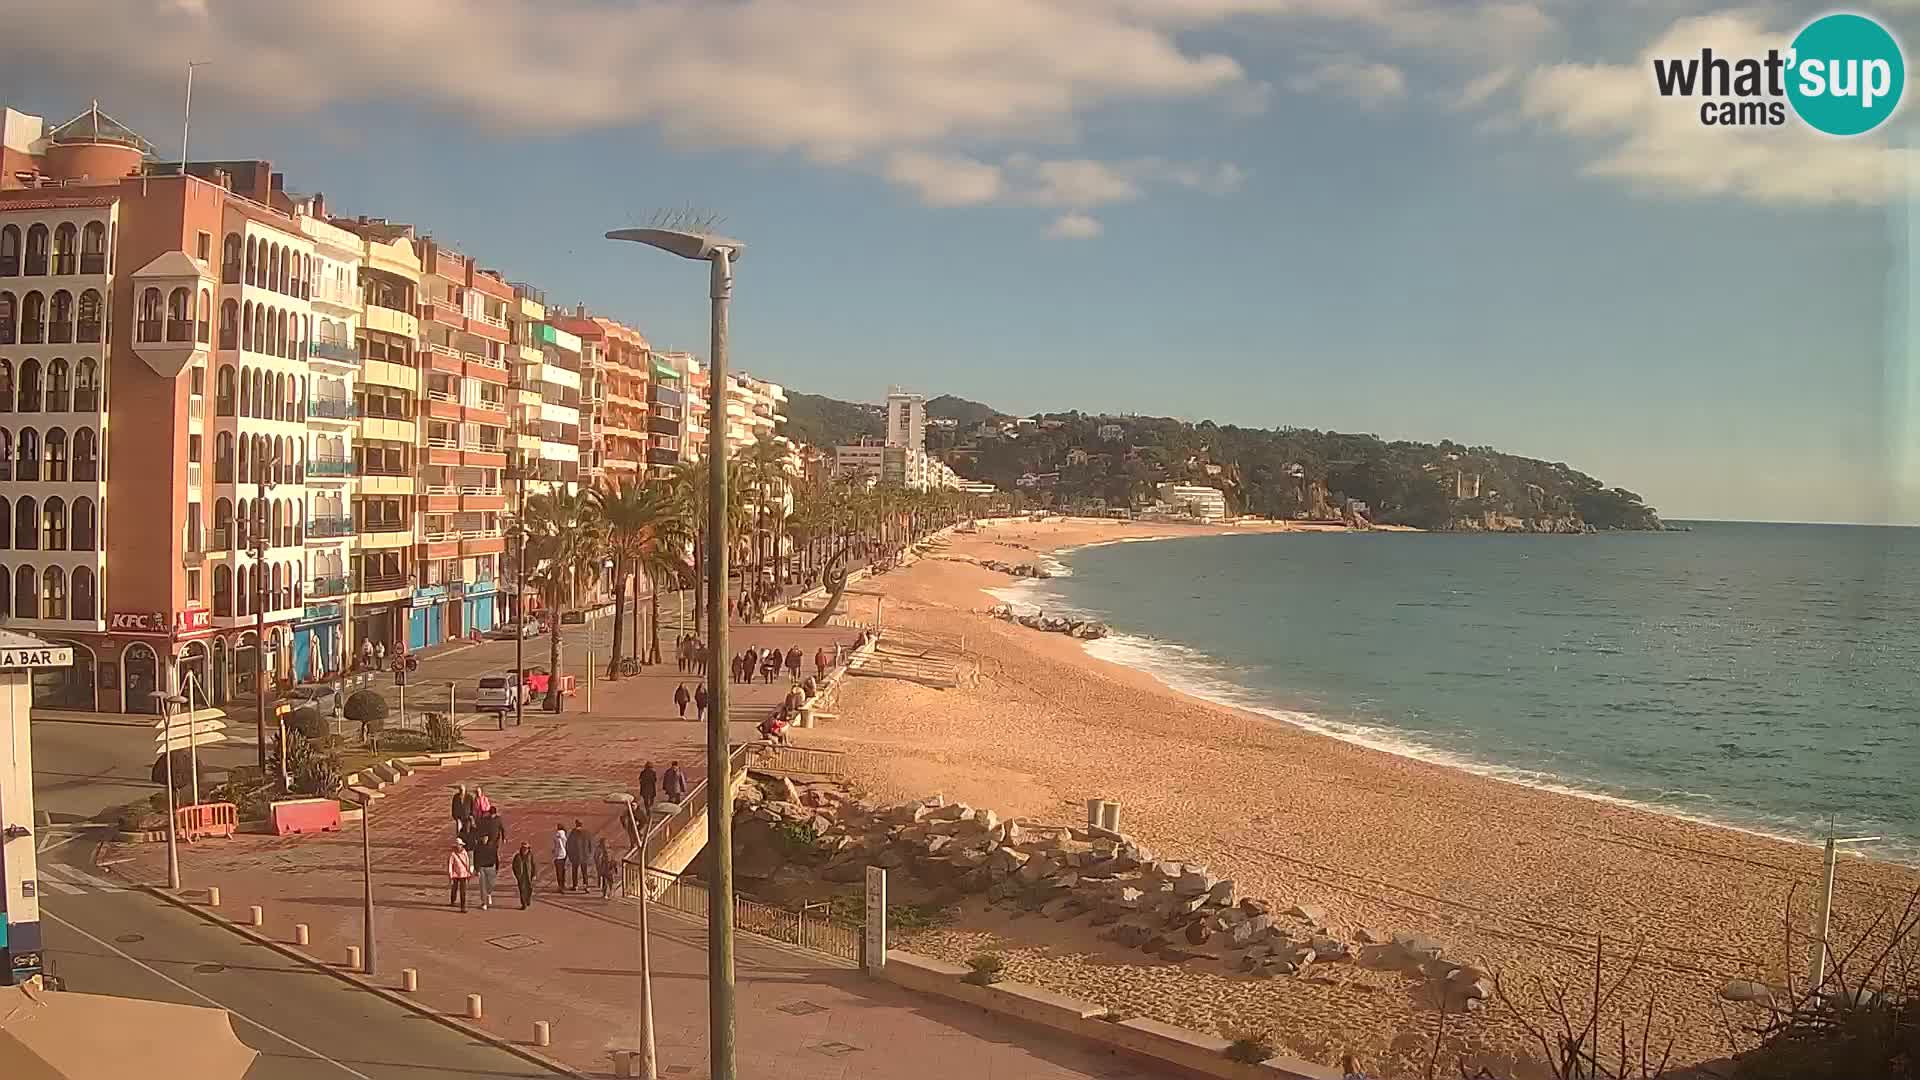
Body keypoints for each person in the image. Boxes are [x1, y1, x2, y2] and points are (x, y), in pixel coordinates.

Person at [471, 824, 500, 910]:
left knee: (491, 884)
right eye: (483, 837)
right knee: (482, 886)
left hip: (491, 867)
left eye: (486, 837)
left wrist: (497, 867)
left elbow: (496, 857)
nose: (484, 839)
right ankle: (484, 902)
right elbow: (475, 858)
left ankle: (489, 893)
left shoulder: (492, 846)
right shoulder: (478, 847)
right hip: (482, 868)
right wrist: (477, 869)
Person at [447, 838, 473, 912]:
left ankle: (463, 907)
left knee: (463, 891)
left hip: (463, 874)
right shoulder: (453, 854)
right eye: (458, 845)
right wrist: (450, 875)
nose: (459, 846)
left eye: (460, 845)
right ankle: (453, 900)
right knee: (454, 889)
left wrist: (468, 872)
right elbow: (450, 865)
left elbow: (467, 863)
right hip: (455, 875)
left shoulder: (465, 853)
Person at [566, 819, 591, 892]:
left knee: (574, 871)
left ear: (576, 824)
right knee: (584, 872)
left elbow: (569, 845)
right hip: (584, 856)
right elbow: (590, 844)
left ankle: (575, 885)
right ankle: (586, 886)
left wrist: (570, 854)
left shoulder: (573, 833)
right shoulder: (587, 833)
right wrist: (588, 854)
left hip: (575, 856)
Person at [511, 841, 536, 909]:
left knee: (529, 889)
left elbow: (533, 865)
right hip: (521, 876)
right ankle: (523, 903)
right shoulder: (517, 856)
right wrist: (516, 875)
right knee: (522, 889)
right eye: (523, 848)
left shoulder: (530, 856)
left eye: (526, 848)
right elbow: (514, 866)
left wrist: (534, 874)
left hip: (529, 875)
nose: (525, 850)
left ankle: (528, 899)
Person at [551, 821, 570, 892]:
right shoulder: (565, 836)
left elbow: (555, 846)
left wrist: (553, 851)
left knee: (559, 872)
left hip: (558, 855)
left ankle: (560, 886)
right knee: (563, 871)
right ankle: (563, 885)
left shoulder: (556, 836)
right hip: (564, 854)